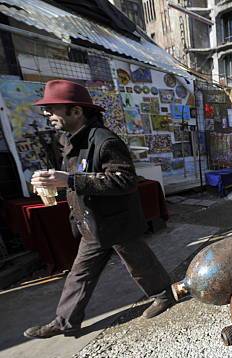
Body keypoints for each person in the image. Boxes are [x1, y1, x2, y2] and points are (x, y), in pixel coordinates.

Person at [24, 80, 175, 339]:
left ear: (76, 111)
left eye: (52, 108)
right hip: (92, 223)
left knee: (140, 264)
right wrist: (55, 182)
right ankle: (65, 322)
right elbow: (79, 177)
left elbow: (125, 181)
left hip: (117, 223)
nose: (47, 113)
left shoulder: (105, 141)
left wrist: (69, 180)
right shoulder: (69, 140)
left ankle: (163, 296)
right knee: (79, 275)